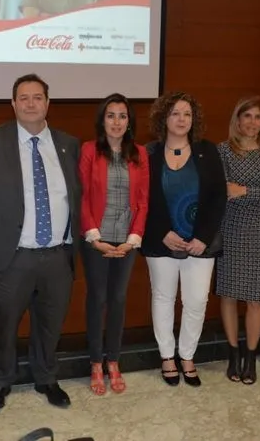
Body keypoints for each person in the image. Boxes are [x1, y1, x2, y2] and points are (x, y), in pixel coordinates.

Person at [0, 73, 81, 411]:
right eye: (23, 97)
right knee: (4, 325)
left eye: (37, 97)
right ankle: (0, 382)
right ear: (13, 103)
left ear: (48, 103)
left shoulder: (68, 144)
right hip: (12, 256)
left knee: (50, 324)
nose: (31, 103)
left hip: (57, 255)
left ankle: (46, 378)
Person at [140, 91, 226, 387]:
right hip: (161, 241)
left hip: (199, 244)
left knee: (196, 301)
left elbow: (218, 197)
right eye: (175, 113)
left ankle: (187, 355)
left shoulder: (207, 150)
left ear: (194, 119)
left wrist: (203, 237)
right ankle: (167, 355)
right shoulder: (148, 153)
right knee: (163, 298)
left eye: (187, 114)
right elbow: (143, 200)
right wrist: (162, 232)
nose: (181, 119)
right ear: (164, 117)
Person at [78, 93, 148, 395]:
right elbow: (82, 195)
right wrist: (95, 238)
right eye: (111, 115)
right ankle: (95, 361)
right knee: (98, 298)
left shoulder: (140, 153)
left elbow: (144, 200)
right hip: (97, 238)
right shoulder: (89, 151)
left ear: (129, 121)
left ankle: (114, 360)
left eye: (122, 115)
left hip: (126, 240)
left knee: (118, 299)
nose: (117, 122)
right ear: (102, 120)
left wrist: (132, 240)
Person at [215, 96, 260, 385]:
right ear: (237, 119)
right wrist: (259, 189)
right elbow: (223, 192)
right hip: (231, 230)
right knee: (229, 296)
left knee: (257, 299)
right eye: (247, 116)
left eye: (258, 117)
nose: (252, 122)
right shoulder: (223, 150)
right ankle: (233, 354)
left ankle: (250, 357)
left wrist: (243, 190)